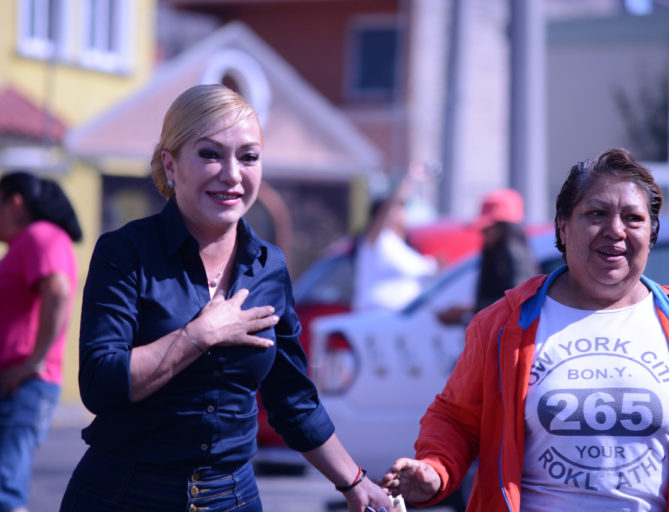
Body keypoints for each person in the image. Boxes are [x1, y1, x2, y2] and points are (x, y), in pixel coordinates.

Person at [59, 84, 393, 512]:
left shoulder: (269, 266)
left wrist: (355, 482)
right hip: (122, 495)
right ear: (171, 164)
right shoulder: (125, 252)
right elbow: (101, 384)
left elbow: (291, 399)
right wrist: (199, 335)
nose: (232, 174)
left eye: (248, 157)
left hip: (232, 499)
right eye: (210, 154)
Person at [380, 148, 669, 511]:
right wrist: (435, 468)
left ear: (652, 234)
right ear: (563, 227)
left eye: (633, 218)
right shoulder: (503, 324)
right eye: (596, 214)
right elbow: (457, 419)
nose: (615, 230)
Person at [0, 171, 82, 512]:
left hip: (27, 385)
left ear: (15, 203)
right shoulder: (28, 242)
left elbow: (59, 292)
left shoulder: (41, 236)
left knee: (5, 491)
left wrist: (34, 362)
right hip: (18, 384)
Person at [437, 188, 539, 326]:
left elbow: (517, 303)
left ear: (504, 227)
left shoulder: (513, 254)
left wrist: (467, 311)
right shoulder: (498, 254)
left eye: (487, 228)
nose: (483, 234)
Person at [352, 164, 438, 312]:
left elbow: (426, 270)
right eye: (399, 207)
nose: (403, 212)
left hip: (399, 321)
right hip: (374, 317)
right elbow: (386, 210)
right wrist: (409, 180)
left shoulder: (399, 245)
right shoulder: (376, 240)